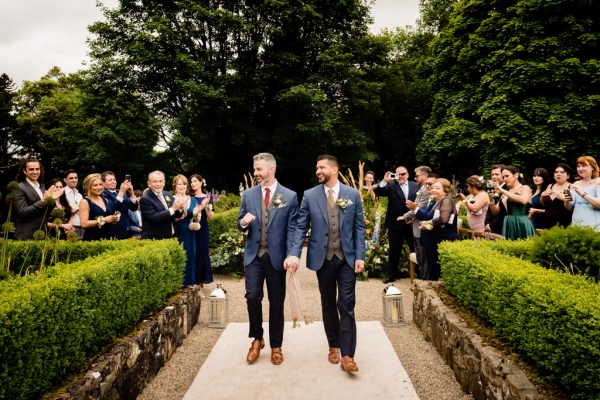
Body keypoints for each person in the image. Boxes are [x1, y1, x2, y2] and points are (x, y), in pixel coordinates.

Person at [286, 155, 366, 374]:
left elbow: (359, 228)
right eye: (316, 168)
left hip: (347, 258)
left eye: (321, 167)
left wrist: (360, 255)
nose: (318, 171)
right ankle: (334, 345)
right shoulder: (310, 196)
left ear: (334, 169)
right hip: (323, 259)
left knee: (346, 304)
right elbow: (300, 227)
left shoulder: (352, 194)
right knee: (329, 303)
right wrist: (294, 255)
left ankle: (348, 355)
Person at [237, 153, 298, 366]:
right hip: (254, 255)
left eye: (259, 170)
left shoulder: (289, 196)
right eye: (255, 170)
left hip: (277, 258)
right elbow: (239, 221)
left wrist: (292, 255)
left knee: (276, 302)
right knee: (252, 297)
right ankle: (257, 338)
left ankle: (276, 345)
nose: (255, 173)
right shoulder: (249, 195)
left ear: (271, 169)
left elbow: (292, 229)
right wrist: (243, 222)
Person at [374, 166, 419, 283]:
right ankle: (391, 275)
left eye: (403, 174)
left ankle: (420, 273)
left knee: (415, 248)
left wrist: (412, 216)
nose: (400, 176)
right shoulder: (391, 185)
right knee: (394, 250)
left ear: (408, 174)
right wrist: (384, 181)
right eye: (398, 174)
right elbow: (379, 192)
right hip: (395, 223)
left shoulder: (415, 185)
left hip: (412, 223)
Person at [419, 178, 460, 281]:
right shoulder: (436, 202)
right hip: (434, 240)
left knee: (439, 271)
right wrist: (426, 223)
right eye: (433, 188)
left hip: (444, 239)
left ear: (445, 190)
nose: (433, 190)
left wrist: (428, 223)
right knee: (433, 270)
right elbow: (435, 219)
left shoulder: (446, 200)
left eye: (437, 188)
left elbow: (444, 219)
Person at [13, 156, 62, 240]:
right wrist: (43, 200)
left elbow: (45, 213)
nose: (35, 172)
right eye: (31, 169)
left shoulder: (41, 187)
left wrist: (52, 200)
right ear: (25, 171)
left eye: (37, 169)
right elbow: (22, 212)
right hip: (26, 236)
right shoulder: (19, 187)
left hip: (42, 234)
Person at [399, 166, 432, 278]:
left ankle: (424, 281)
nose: (415, 178)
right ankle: (421, 280)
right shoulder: (422, 189)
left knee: (423, 257)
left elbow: (420, 208)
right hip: (416, 224)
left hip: (421, 228)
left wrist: (405, 217)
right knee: (419, 256)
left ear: (425, 176)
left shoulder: (427, 190)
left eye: (418, 176)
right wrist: (411, 218)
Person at [491, 166, 535, 240]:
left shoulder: (525, 188)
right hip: (508, 222)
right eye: (503, 177)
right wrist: (490, 200)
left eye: (507, 176)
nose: (505, 179)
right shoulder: (506, 192)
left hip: (521, 222)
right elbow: (495, 211)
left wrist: (501, 190)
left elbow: (523, 200)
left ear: (516, 175)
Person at [172, 175, 201, 286]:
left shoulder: (192, 199)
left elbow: (196, 218)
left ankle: (190, 282)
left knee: (190, 256)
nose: (182, 186)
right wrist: (182, 211)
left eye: (184, 184)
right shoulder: (171, 198)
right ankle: (178, 283)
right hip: (177, 231)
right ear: (175, 186)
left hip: (190, 232)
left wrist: (197, 214)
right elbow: (172, 217)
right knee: (179, 257)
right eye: (179, 184)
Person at [140, 171, 184, 240]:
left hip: (171, 237)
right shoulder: (145, 199)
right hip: (155, 240)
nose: (158, 184)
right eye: (155, 181)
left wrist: (180, 207)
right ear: (149, 183)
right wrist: (173, 209)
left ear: (164, 182)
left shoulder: (167, 194)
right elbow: (153, 218)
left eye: (161, 181)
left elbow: (177, 215)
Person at [190, 174, 215, 287]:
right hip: (190, 227)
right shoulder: (189, 197)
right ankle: (192, 280)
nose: (193, 183)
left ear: (201, 183)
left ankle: (200, 281)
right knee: (192, 253)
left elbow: (211, 217)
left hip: (202, 228)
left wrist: (205, 206)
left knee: (202, 253)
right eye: (191, 181)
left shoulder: (207, 198)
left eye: (195, 181)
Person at [79, 173, 120, 241]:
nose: (99, 187)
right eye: (95, 185)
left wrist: (113, 219)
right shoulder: (85, 202)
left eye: (100, 184)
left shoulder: (105, 200)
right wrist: (104, 220)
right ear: (89, 186)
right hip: (93, 239)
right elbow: (84, 224)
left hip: (108, 237)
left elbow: (107, 218)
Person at [413, 173, 439, 280]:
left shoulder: (439, 201)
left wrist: (414, 209)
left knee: (429, 264)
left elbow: (427, 216)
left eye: (430, 184)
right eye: (426, 183)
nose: (427, 186)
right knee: (423, 260)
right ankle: (423, 281)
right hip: (425, 234)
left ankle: (426, 283)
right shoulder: (432, 199)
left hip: (433, 237)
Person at [565, 156, 600, 231]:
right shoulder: (576, 184)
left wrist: (582, 194)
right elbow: (569, 208)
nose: (580, 169)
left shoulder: (598, 182)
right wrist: (567, 199)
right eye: (578, 166)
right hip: (577, 224)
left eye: (584, 166)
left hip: (594, 225)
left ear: (593, 167)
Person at [101, 171, 138, 239]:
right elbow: (110, 209)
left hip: (127, 227)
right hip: (113, 229)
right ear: (103, 183)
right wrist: (121, 192)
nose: (113, 181)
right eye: (110, 180)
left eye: (114, 179)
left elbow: (134, 208)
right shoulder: (103, 194)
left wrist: (131, 193)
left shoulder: (120, 191)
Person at [539, 163, 573, 228]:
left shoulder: (570, 187)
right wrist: (542, 196)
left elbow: (571, 207)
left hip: (563, 222)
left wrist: (563, 198)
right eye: (556, 172)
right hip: (546, 221)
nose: (558, 174)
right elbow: (543, 204)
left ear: (568, 175)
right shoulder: (550, 186)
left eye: (562, 172)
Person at [484, 164, 507, 234]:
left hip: (500, 228)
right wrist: (487, 223)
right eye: (492, 174)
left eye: (497, 174)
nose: (494, 177)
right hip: (490, 226)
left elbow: (503, 212)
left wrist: (491, 226)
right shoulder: (492, 188)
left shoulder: (507, 189)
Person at [64, 169, 84, 238]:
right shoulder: (63, 193)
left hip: (82, 225)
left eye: (76, 178)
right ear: (65, 180)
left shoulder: (79, 195)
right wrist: (80, 207)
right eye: (71, 178)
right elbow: (66, 212)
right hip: (70, 227)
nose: (74, 180)